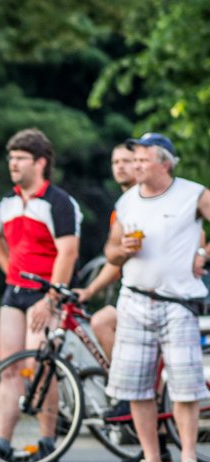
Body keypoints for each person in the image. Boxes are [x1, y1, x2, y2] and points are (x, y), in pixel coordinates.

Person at [0, 128, 81, 462]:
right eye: (11, 158)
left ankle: (47, 442)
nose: (13, 164)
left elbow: (68, 252)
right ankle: (0, 445)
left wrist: (51, 297)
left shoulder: (58, 202)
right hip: (15, 291)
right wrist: (8, 267)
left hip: (46, 292)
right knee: (9, 368)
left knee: (40, 365)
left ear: (40, 162)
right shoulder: (7, 201)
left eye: (20, 158)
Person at [105, 132, 210, 462]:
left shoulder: (193, 194)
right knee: (136, 385)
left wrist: (203, 254)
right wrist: (123, 251)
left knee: (185, 384)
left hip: (178, 301)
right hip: (134, 298)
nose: (135, 165)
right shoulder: (127, 202)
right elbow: (110, 251)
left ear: (164, 163)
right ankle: (152, 458)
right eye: (133, 159)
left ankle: (190, 458)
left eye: (142, 159)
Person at [76, 143, 137, 360]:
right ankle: (123, 384)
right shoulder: (122, 207)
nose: (120, 167)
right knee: (102, 321)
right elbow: (115, 259)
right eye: (116, 162)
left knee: (103, 322)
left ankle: (128, 387)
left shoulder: (151, 201)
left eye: (126, 161)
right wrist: (90, 291)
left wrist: (201, 254)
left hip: (159, 294)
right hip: (131, 292)